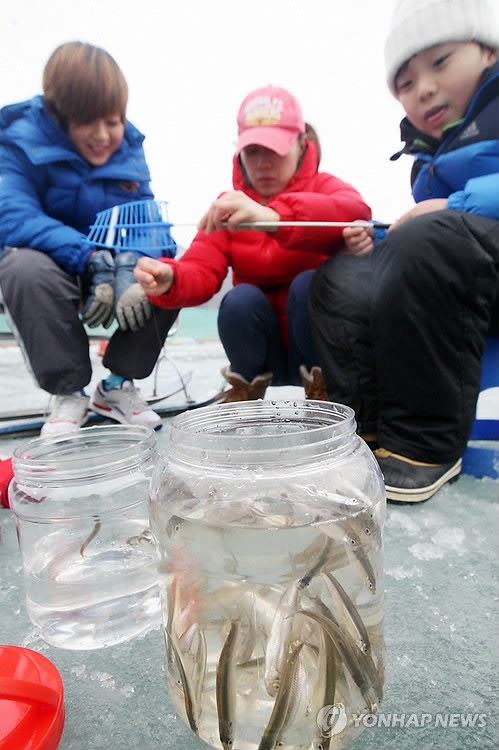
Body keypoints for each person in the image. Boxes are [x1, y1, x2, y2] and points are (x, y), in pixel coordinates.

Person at [308, 0, 499, 503]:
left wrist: (449, 205)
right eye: (406, 83)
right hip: (461, 275)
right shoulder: (426, 156)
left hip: (477, 267)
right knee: (342, 276)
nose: (424, 89)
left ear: (486, 50)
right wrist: (378, 236)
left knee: (425, 240)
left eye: (439, 63)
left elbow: (445, 226)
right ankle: (366, 434)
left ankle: (425, 446)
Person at [133, 84, 371, 402]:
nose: (263, 163)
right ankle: (245, 390)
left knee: (308, 285)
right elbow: (201, 266)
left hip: (319, 352)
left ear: (302, 145)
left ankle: (328, 391)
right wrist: (170, 278)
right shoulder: (229, 205)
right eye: (253, 151)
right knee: (239, 299)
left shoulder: (325, 187)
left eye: (275, 149)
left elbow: (355, 211)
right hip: (262, 355)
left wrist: (274, 216)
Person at [0, 41, 178, 437]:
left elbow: (147, 223)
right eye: (87, 123)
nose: (102, 135)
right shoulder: (15, 140)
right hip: (53, 267)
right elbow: (12, 216)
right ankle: (68, 393)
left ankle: (117, 386)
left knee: (169, 268)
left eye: (112, 121)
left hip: (113, 270)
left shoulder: (130, 148)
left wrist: (131, 267)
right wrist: (91, 258)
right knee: (22, 267)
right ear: (58, 116)